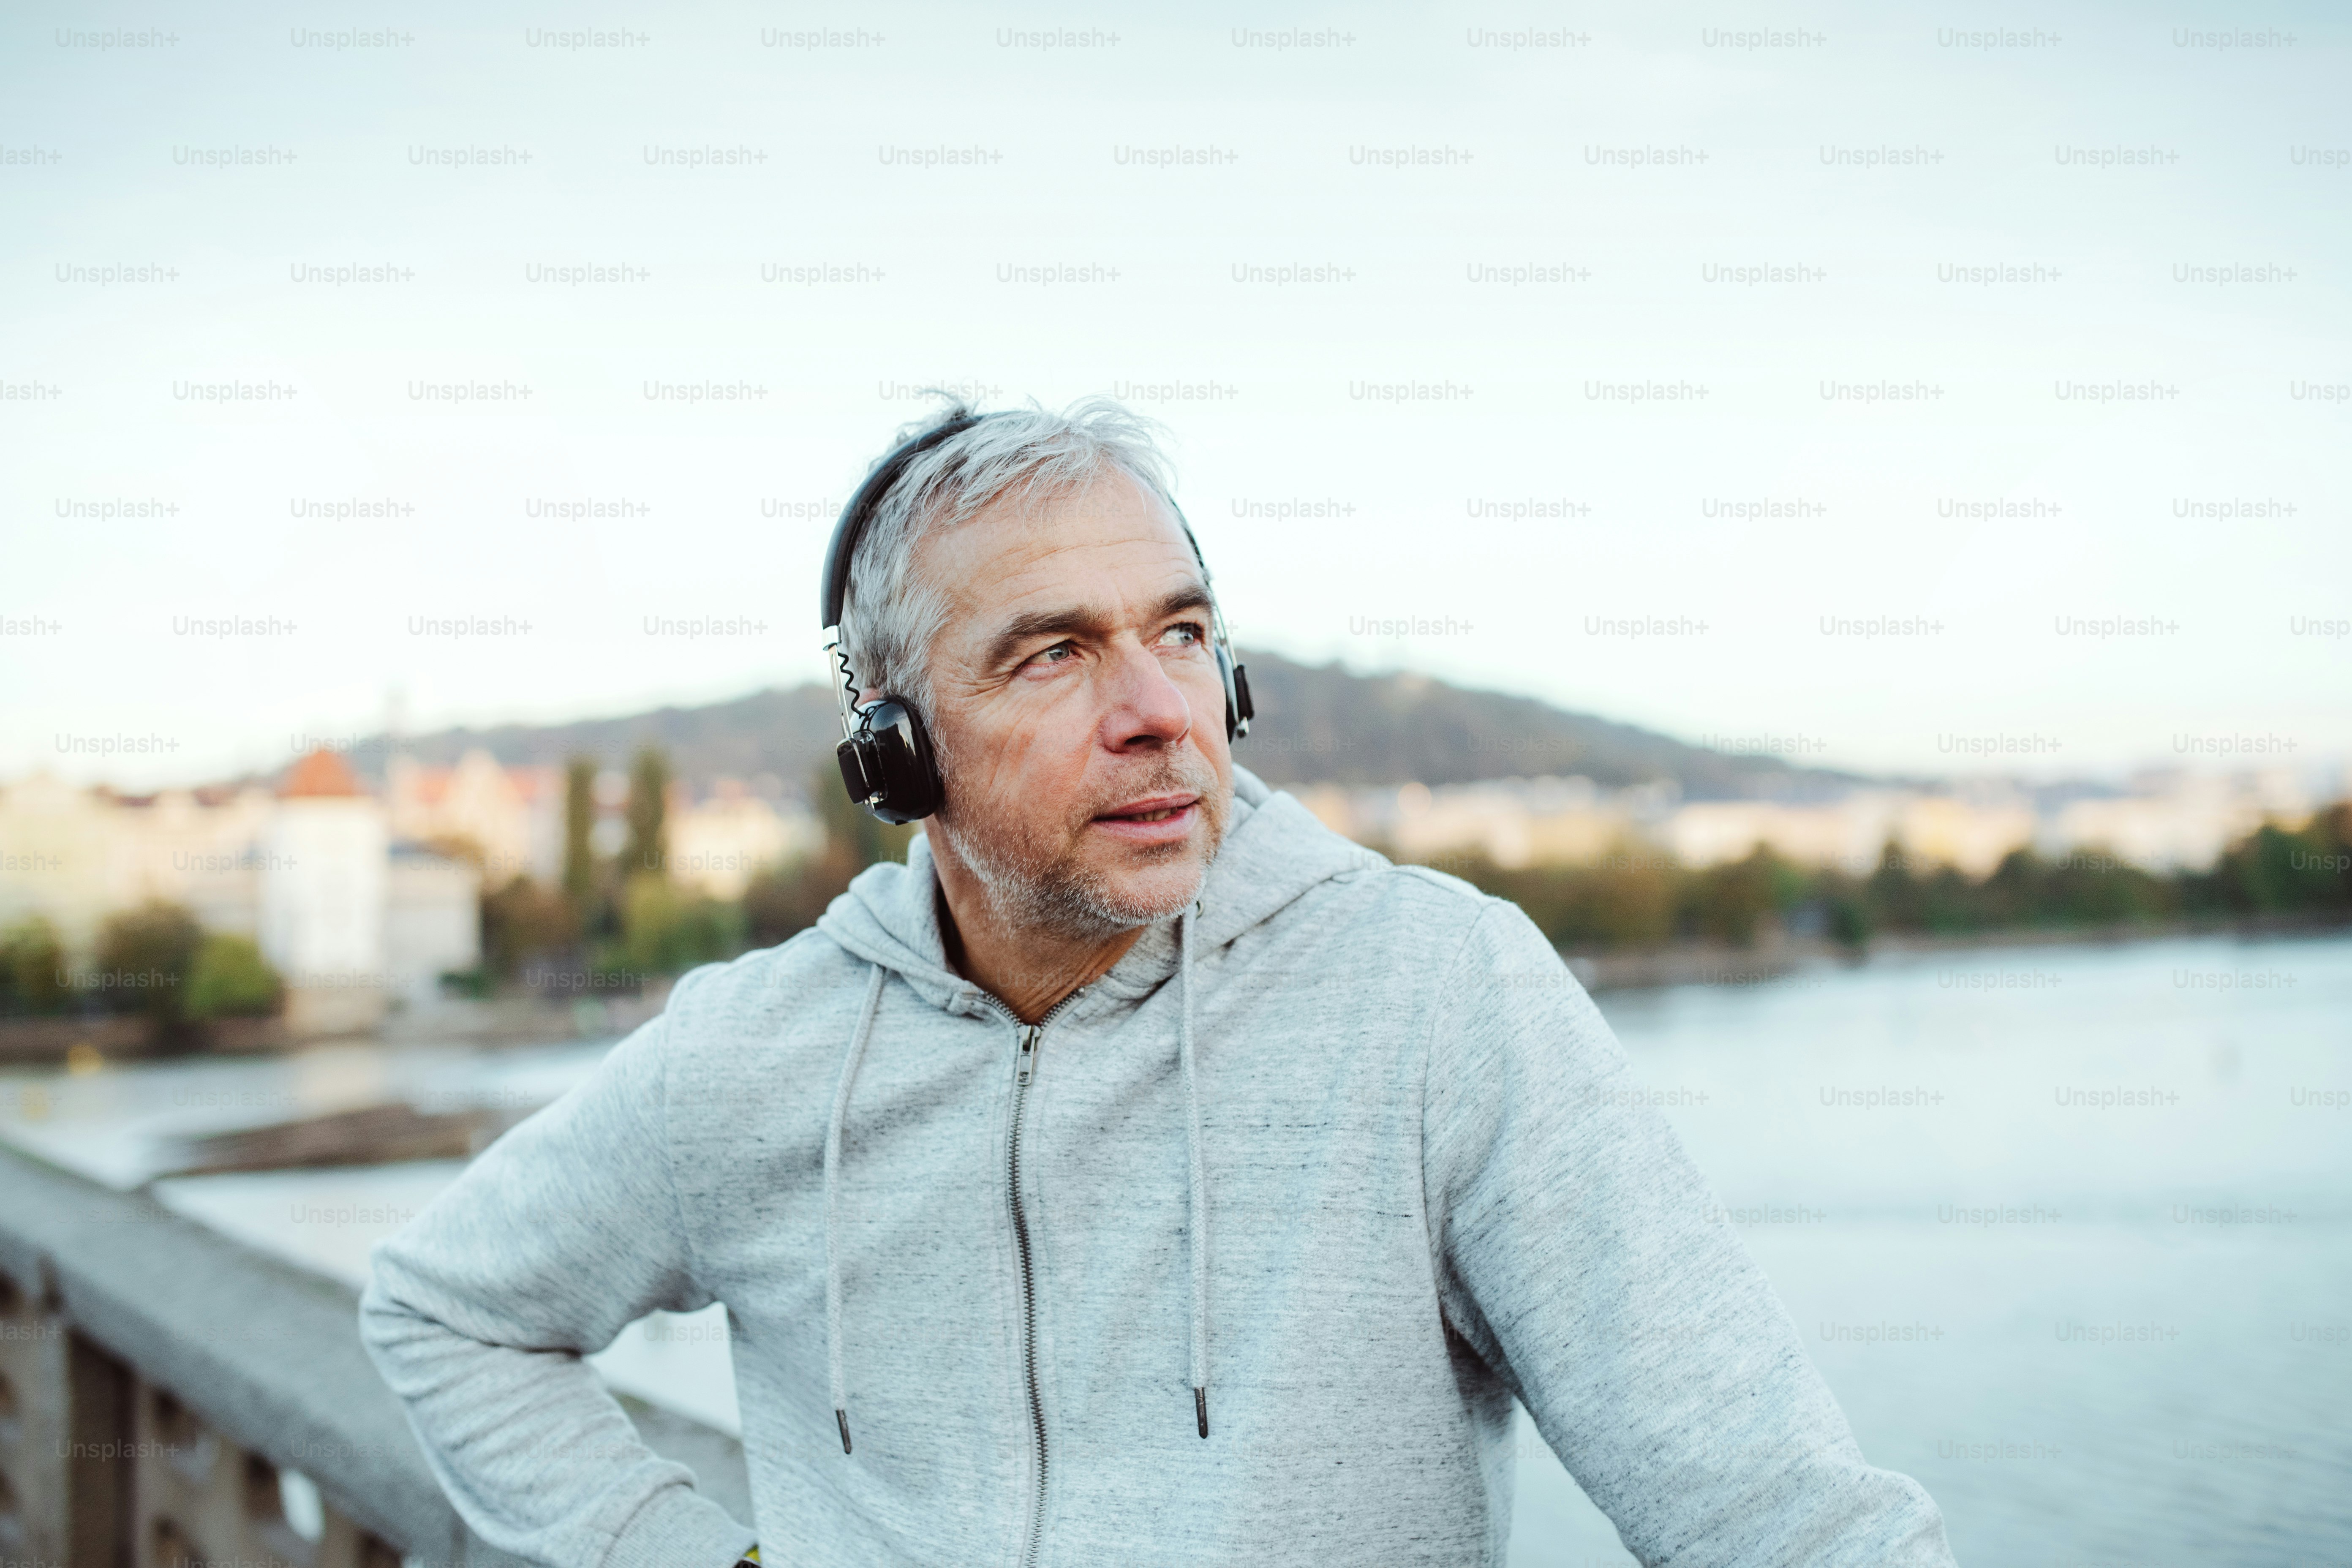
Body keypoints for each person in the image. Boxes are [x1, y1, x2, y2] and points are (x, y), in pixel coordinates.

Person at [361, 397, 1955, 1566]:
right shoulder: (757, 1050)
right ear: (897, 753)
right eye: (1052, 654)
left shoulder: (1437, 995)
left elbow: (1777, 1518)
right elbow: (445, 1310)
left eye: (1180, 634)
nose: (1158, 714)